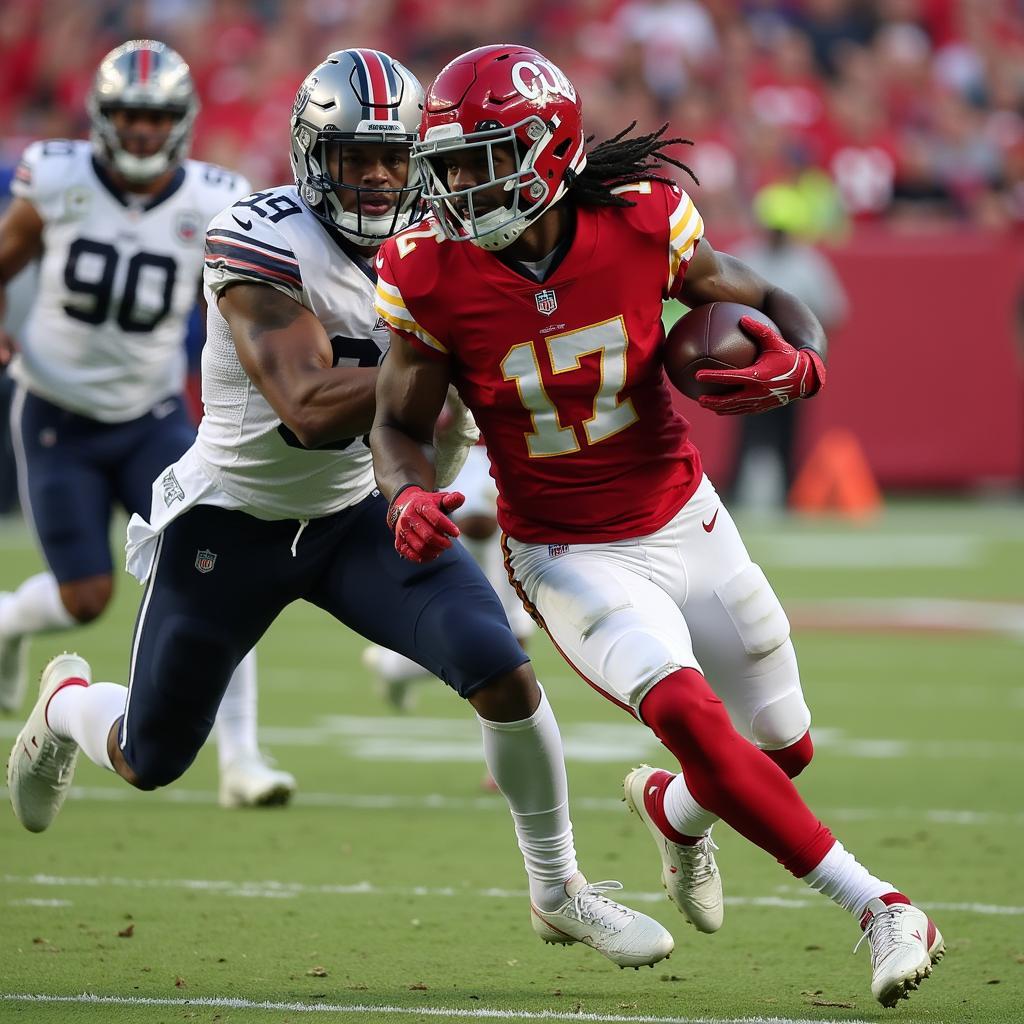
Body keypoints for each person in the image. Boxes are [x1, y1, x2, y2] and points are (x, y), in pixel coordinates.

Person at [7, 48, 675, 971]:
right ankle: (69, 704)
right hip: (231, 522)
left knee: (501, 671)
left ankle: (560, 891)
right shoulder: (259, 237)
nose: (376, 177)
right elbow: (312, 407)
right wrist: (449, 360)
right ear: (310, 155)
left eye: (394, 158)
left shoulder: (452, 239)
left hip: (361, 514)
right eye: (354, 156)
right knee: (149, 757)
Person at [369, 44, 945, 1008]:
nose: (460, 187)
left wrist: (804, 360)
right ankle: (879, 903)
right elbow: (395, 421)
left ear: (546, 150)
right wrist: (405, 494)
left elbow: (768, 298)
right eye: (451, 165)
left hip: (685, 515)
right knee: (687, 715)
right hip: (563, 549)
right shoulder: (431, 273)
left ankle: (674, 814)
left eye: (481, 159)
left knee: (782, 750)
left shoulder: (640, 222)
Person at [0, 40, 295, 809]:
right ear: (102, 117)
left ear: (181, 122)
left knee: (220, 558)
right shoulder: (58, 180)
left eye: (154, 117)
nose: (138, 131)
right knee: (86, 597)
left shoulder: (215, 198)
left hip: (151, 416)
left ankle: (242, 758)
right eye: (128, 115)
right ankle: (8, 623)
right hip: (57, 414)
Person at [362, 434, 536, 713]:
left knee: (512, 638)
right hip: (470, 456)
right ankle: (394, 667)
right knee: (503, 639)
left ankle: (394, 667)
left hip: (514, 455)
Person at [728, 184, 849, 510]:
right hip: (749, 359)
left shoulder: (808, 263)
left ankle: (791, 494)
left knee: (789, 430)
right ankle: (736, 491)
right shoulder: (745, 256)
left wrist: (810, 350)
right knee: (747, 427)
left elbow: (832, 312)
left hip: (792, 361)